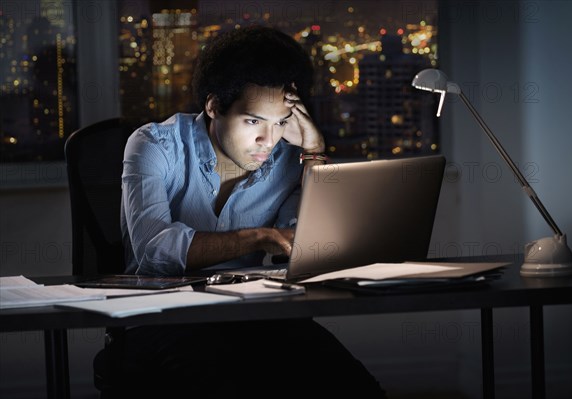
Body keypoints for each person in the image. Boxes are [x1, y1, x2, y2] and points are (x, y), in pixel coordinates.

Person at [97, 26, 386, 398]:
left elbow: (310, 242)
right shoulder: (154, 144)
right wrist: (259, 237)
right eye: (253, 121)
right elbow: (156, 252)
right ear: (214, 106)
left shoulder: (286, 159)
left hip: (254, 316)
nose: (269, 140)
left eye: (281, 122)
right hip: (163, 317)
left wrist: (314, 151)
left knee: (358, 389)